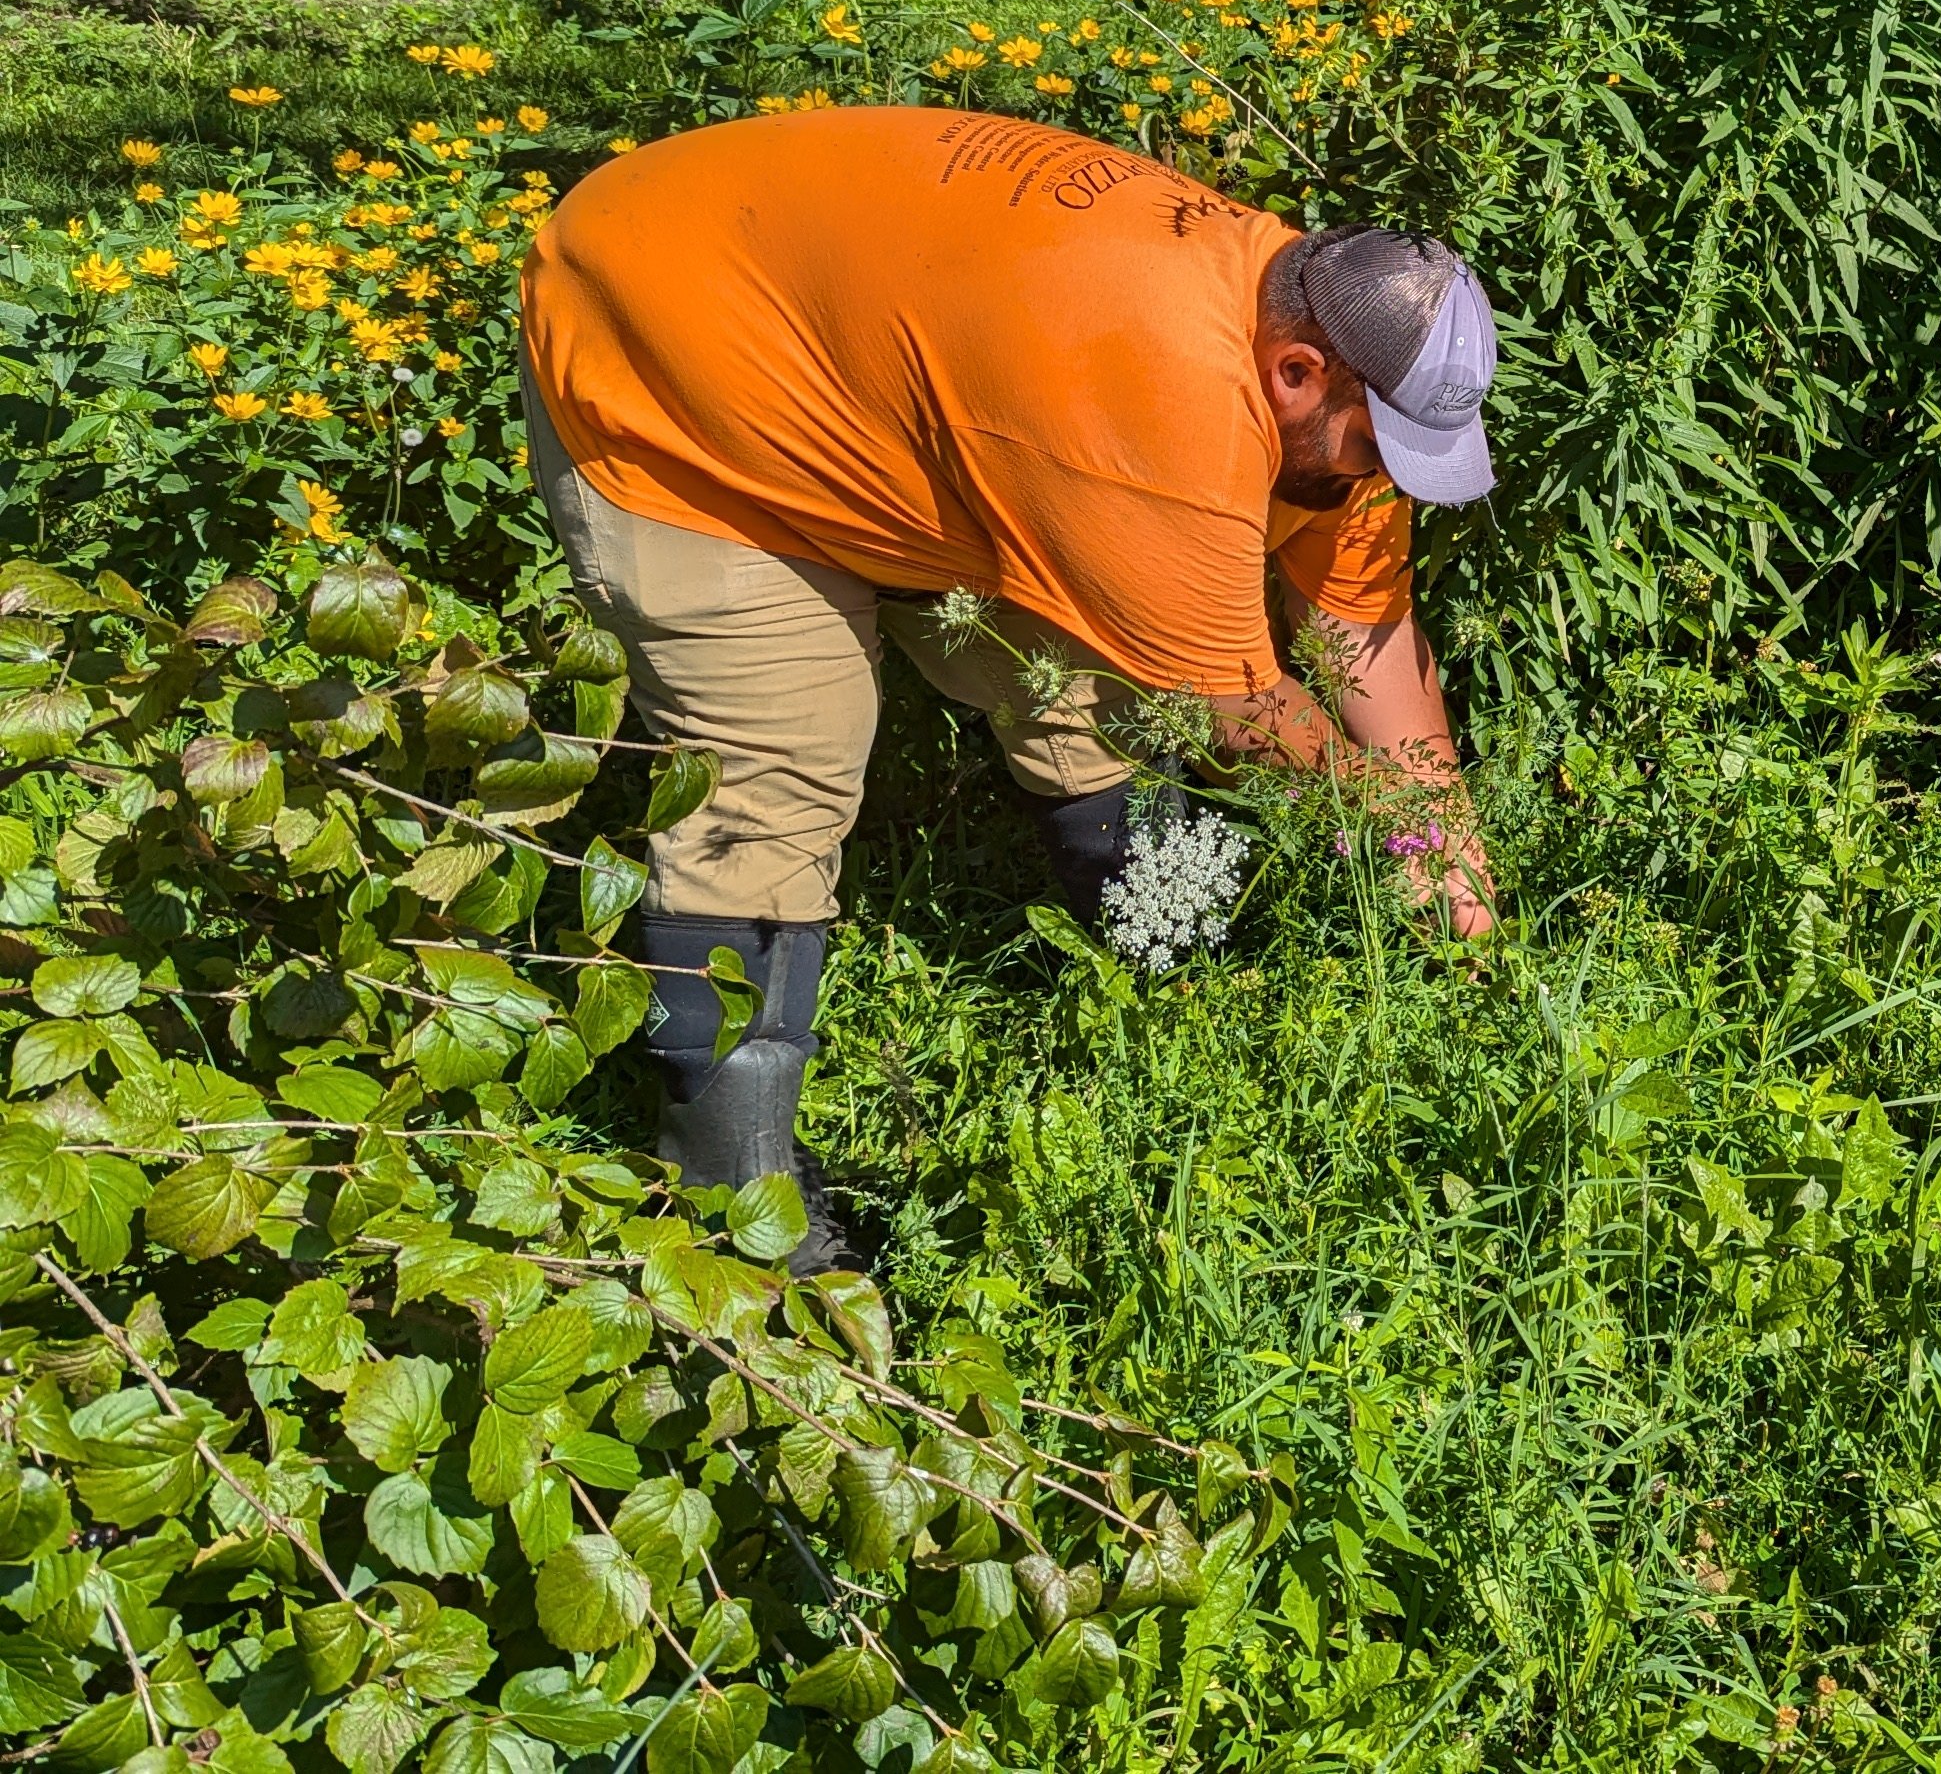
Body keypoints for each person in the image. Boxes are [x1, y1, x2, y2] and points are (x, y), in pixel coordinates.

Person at [522, 105, 1498, 1267]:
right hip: (672, 352)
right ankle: (735, 1228)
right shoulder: (1159, 406)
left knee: (1076, 670)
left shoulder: (1313, 325)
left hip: (883, 362)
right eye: (1373, 448)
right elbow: (1241, 708)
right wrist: (1398, 831)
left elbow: (1369, 633)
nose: (1379, 479)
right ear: (1296, 373)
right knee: (781, 765)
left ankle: (1170, 968)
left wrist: (1455, 862)